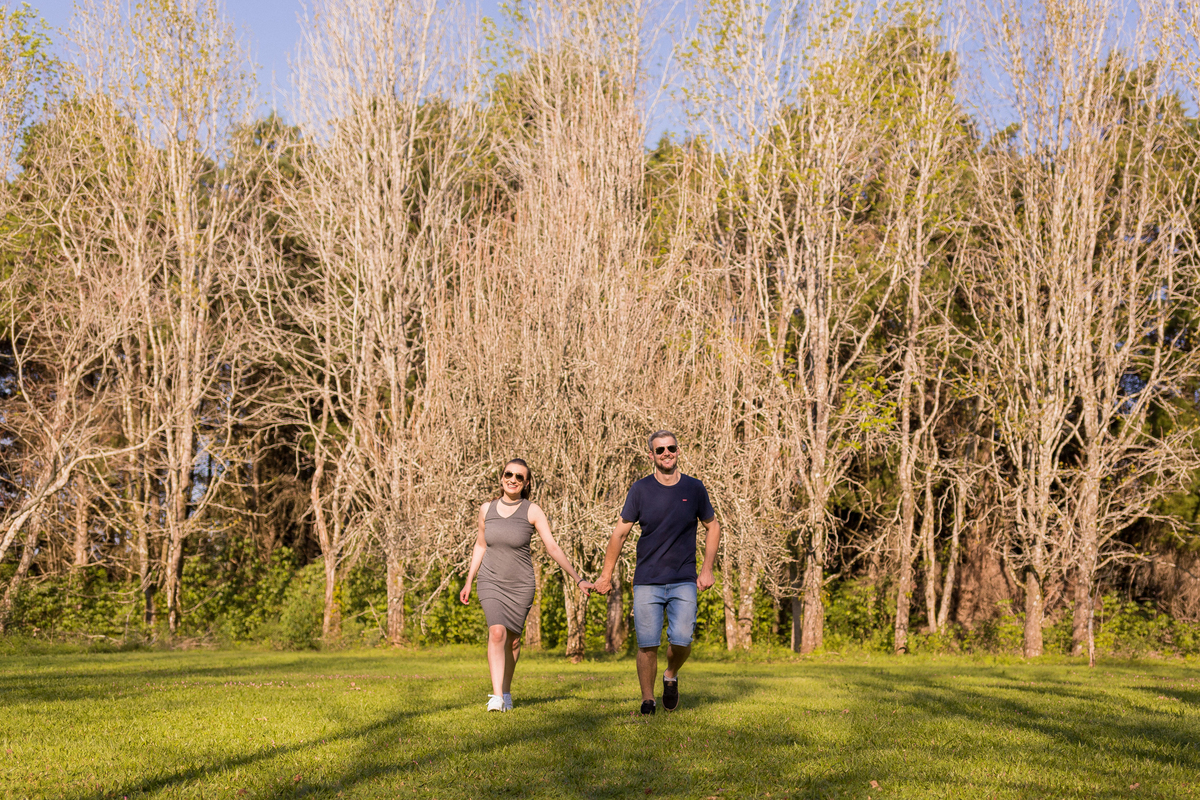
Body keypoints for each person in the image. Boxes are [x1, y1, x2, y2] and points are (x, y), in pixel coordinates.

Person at [593, 430, 720, 715]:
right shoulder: (640, 490)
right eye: (659, 450)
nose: (666, 453)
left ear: (678, 451)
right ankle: (648, 700)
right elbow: (619, 535)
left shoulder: (694, 488)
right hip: (647, 579)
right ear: (651, 455)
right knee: (648, 643)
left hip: (683, 579)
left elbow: (713, 526)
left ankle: (671, 675)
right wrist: (605, 575)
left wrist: (707, 568)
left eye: (671, 448)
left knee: (682, 638)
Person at [460, 458, 591, 712]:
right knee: (496, 632)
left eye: (519, 477)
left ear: (526, 483)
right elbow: (480, 545)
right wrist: (468, 580)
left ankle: (506, 691)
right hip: (490, 580)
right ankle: (496, 697)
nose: (513, 479)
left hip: (520, 584)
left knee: (513, 641)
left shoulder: (532, 511)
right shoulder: (487, 509)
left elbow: (552, 547)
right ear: (501, 478)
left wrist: (578, 578)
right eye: (509, 474)